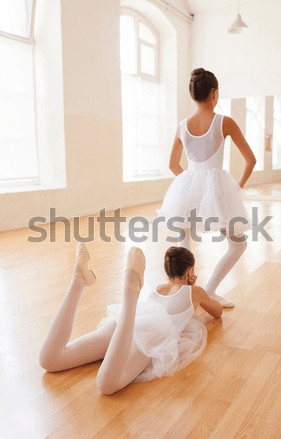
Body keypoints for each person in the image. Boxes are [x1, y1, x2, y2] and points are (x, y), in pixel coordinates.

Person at [39, 243, 222, 395]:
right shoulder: (195, 292)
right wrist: (194, 284)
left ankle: (78, 281)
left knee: (50, 360)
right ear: (190, 270)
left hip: (124, 322)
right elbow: (217, 311)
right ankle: (130, 295)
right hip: (152, 332)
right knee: (107, 385)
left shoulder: (156, 288)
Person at [159, 67, 256, 308]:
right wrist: (237, 188)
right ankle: (209, 291)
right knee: (239, 244)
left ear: (193, 95)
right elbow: (251, 160)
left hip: (185, 192)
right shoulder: (225, 122)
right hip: (218, 192)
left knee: (184, 245)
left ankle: (182, 297)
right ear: (215, 93)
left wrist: (191, 184)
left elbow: (172, 164)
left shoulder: (182, 125)